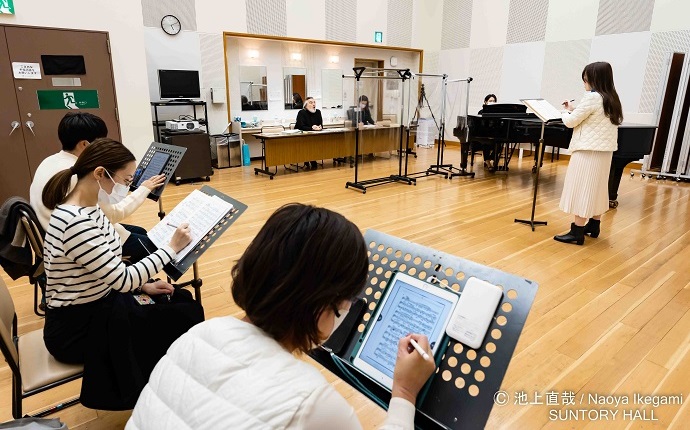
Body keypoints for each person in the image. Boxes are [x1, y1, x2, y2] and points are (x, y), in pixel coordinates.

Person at [128, 204, 436, 429]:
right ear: (322, 305)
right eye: (347, 301)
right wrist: (404, 392)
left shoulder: (197, 334)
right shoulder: (311, 403)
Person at [42, 137, 204, 409]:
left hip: (99, 303)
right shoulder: (75, 222)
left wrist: (143, 286)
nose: (127, 188)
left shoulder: (89, 207)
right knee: (184, 314)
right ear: (100, 174)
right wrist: (171, 248)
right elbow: (122, 279)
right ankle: (163, 396)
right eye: (126, 181)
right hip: (76, 329)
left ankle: (168, 386)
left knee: (180, 299)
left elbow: (109, 269)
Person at [29, 112, 164, 264]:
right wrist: (144, 189)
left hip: (57, 234)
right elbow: (114, 214)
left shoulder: (49, 161)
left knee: (141, 233)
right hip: (79, 242)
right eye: (100, 143)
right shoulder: (79, 176)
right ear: (84, 144)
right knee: (151, 248)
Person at [554, 61, 623, 245]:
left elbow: (570, 122)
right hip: (604, 152)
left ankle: (576, 231)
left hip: (588, 151)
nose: (584, 82)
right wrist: (573, 110)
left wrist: (563, 113)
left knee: (582, 188)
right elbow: (593, 116)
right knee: (597, 189)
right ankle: (594, 225)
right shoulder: (611, 97)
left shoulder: (592, 97)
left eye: (586, 78)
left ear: (594, 79)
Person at [295, 97, 323, 169]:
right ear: (305, 105)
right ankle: (310, 159)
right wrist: (312, 128)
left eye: (314, 102)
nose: (313, 104)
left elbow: (320, 124)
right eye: (311, 103)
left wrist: (320, 127)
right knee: (309, 143)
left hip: (314, 135)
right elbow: (301, 126)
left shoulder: (318, 112)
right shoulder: (302, 112)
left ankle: (312, 158)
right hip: (302, 136)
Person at [477, 94, 501, 171]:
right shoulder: (481, 112)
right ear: (486, 102)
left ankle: (489, 158)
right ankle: (488, 162)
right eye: (490, 101)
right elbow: (479, 126)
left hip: (494, 134)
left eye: (494, 101)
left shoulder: (497, 113)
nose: (492, 102)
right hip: (483, 134)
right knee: (486, 143)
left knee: (499, 144)